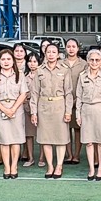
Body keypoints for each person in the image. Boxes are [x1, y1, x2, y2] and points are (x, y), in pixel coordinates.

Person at [30, 44, 74, 178]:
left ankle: (59, 165)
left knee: (61, 139)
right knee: (45, 139)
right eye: (48, 52)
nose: (51, 54)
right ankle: (50, 166)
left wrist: (68, 112)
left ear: (58, 54)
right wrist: (34, 112)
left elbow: (69, 93)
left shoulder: (65, 70)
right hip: (43, 107)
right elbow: (34, 93)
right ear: (45, 54)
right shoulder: (39, 70)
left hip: (59, 107)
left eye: (53, 52)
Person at [0, 49, 27, 178]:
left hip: (16, 109)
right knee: (4, 140)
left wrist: (13, 109)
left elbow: (23, 93)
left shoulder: (20, 75)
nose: (6, 62)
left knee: (15, 140)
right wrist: (5, 109)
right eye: (3, 59)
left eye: (8, 59)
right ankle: (6, 167)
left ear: (13, 61)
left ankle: (14, 167)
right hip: (0, 109)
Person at [77, 49, 101, 180]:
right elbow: (78, 96)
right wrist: (78, 114)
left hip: (100, 109)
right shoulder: (82, 76)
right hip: (86, 110)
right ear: (88, 60)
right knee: (89, 142)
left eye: (97, 60)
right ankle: (91, 168)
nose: (94, 62)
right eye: (92, 60)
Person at [63, 38, 87, 165]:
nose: (71, 49)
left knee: (78, 129)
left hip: (79, 101)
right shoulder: (60, 63)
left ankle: (77, 155)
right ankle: (69, 155)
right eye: (68, 46)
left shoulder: (84, 64)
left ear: (78, 48)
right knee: (65, 128)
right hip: (63, 102)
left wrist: (77, 100)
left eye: (73, 46)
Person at [22, 52, 41, 167]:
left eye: (35, 61)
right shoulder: (24, 76)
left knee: (42, 134)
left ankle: (42, 158)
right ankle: (30, 158)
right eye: (30, 61)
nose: (32, 64)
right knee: (29, 134)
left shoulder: (42, 75)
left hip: (41, 106)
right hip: (27, 107)